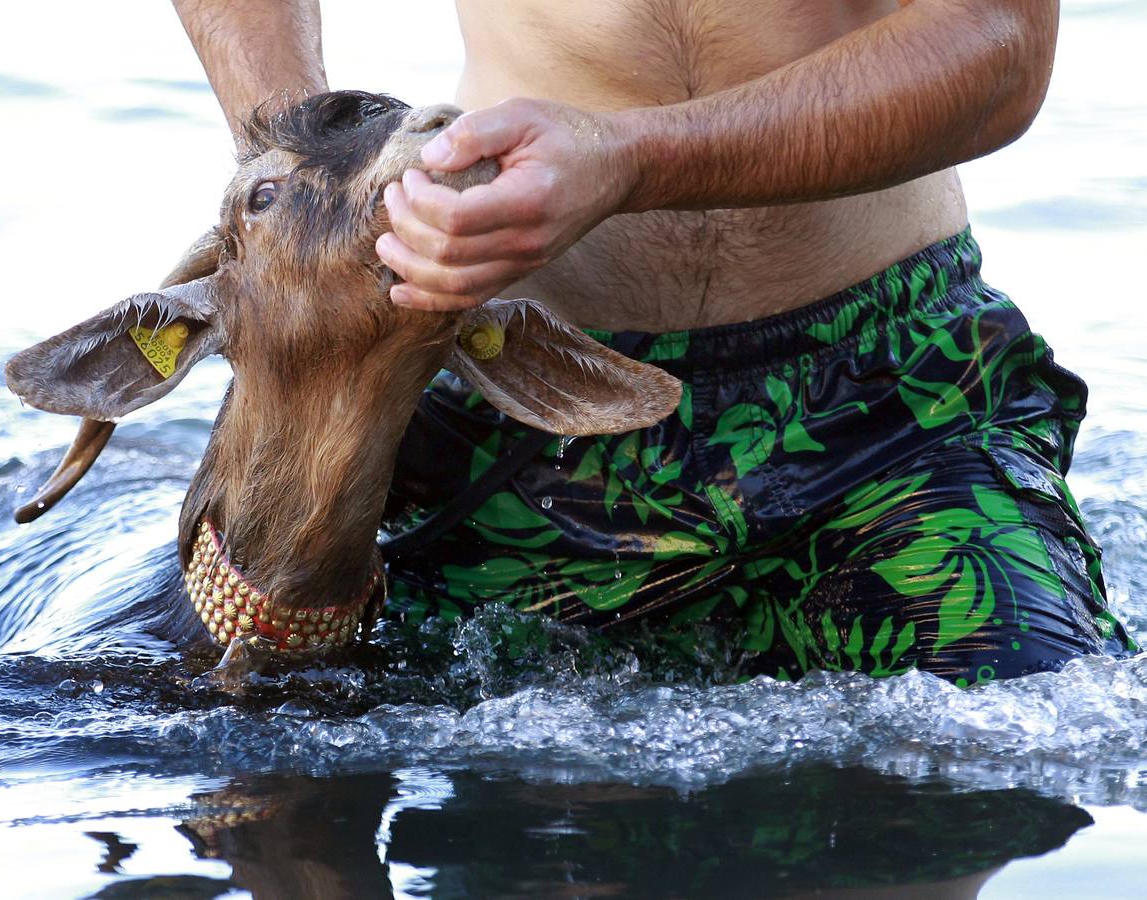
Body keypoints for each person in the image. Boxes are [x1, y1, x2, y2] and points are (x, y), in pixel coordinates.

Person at [171, 0, 1133, 685]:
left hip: (889, 417)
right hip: (519, 427)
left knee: (1020, 737)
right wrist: (295, 174)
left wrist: (632, 159)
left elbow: (997, 39)